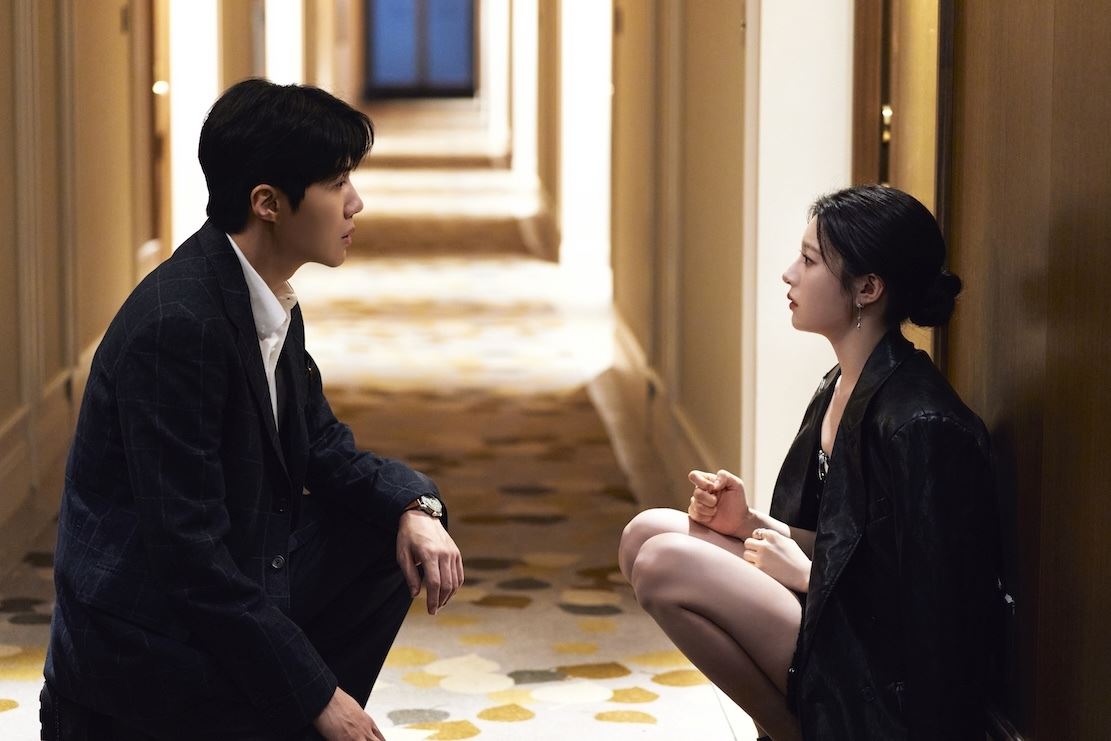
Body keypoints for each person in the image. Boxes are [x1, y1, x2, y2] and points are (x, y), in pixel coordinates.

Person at [41, 78, 464, 741]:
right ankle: (296, 715)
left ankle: (283, 716)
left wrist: (415, 507)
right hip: (140, 649)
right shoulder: (178, 327)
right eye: (337, 183)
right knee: (309, 688)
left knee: (385, 529)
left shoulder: (265, 296)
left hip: (225, 573)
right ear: (267, 203)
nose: (356, 202)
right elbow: (188, 558)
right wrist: (318, 695)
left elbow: (322, 446)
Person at [618, 185, 1000, 740]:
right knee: (645, 532)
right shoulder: (842, 384)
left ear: (867, 288)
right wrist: (751, 524)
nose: (788, 274)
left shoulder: (922, 423)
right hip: (838, 615)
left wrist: (806, 575)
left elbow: (934, 612)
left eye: (809, 260)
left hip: (886, 679)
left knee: (662, 562)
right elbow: (855, 540)